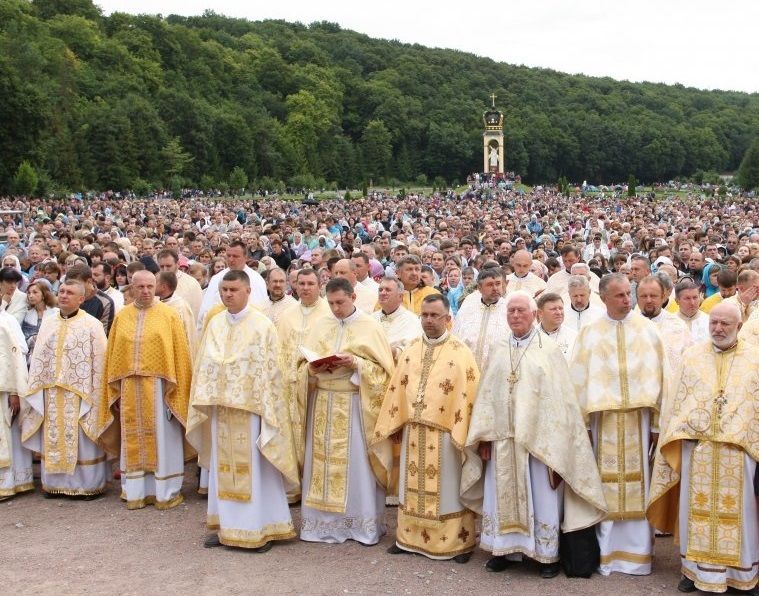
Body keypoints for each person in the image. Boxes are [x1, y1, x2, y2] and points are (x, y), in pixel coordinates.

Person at [462, 291, 606, 577]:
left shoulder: (548, 350)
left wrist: (554, 444)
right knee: (499, 495)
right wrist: (485, 437)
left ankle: (546, 556)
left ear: (535, 315)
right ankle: (504, 551)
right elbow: (487, 396)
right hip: (502, 439)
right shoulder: (499, 347)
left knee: (540, 497)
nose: (515, 316)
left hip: (539, 443)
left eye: (521, 311)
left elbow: (560, 401)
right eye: (511, 311)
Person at [648, 302, 759, 594]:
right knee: (692, 510)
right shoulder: (692, 356)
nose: (718, 329)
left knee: (743, 514)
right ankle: (693, 571)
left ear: (739, 326)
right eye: (714, 323)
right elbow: (676, 402)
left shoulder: (755, 358)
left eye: (725, 324)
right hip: (697, 448)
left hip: (740, 450)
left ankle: (741, 573)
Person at [187, 270, 299, 551]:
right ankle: (224, 525)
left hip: (252, 411)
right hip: (221, 409)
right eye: (224, 290)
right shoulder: (215, 325)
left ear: (248, 291)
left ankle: (259, 527)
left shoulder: (262, 326)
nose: (227, 295)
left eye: (233, 290)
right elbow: (204, 364)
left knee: (255, 468)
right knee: (222, 469)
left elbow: (272, 372)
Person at [571, 273, 667, 576]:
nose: (628, 300)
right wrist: (583, 423)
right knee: (605, 484)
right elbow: (579, 381)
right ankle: (608, 554)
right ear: (604, 299)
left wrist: (656, 425)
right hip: (603, 421)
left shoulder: (648, 331)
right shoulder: (590, 333)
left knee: (640, 484)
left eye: (629, 294)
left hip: (638, 420)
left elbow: (661, 380)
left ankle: (639, 555)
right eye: (620, 295)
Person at [374, 294, 480, 561]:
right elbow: (398, 387)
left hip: (447, 434)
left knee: (447, 488)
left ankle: (456, 542)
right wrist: (395, 421)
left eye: (435, 315)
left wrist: (463, 433)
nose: (429, 320)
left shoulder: (460, 353)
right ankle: (408, 538)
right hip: (413, 431)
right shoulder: (411, 349)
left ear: (448, 318)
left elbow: (469, 395)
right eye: (425, 315)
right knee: (410, 485)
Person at [298, 277, 394, 545]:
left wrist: (356, 364)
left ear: (353, 297)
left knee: (357, 467)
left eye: (340, 302)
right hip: (323, 404)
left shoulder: (370, 327)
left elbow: (385, 374)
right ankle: (320, 526)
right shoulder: (320, 325)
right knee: (321, 467)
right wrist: (311, 369)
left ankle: (358, 525)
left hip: (354, 406)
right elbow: (300, 366)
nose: (336, 308)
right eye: (330, 303)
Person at [101, 270, 193, 510]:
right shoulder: (122, 317)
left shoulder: (169, 316)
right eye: (140, 287)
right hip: (130, 388)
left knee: (163, 439)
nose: (145, 291)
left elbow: (181, 356)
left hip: (160, 389)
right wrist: (116, 388)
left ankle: (166, 490)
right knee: (132, 438)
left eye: (149, 287)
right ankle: (136, 491)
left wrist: (178, 391)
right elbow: (113, 355)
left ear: (157, 287)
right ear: (132, 288)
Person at [21, 279, 109, 498]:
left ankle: (87, 486)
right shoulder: (49, 323)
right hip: (51, 392)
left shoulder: (92, 325)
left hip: (81, 394)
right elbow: (39, 357)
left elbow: (100, 363)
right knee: (53, 436)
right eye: (61, 291)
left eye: (70, 292)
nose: (64, 295)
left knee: (82, 438)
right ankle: (54, 484)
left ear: (81, 298)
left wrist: (96, 392)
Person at [275, 269, 332, 481]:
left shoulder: (329, 312)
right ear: (295, 286)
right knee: (289, 433)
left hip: (315, 384)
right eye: (302, 284)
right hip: (288, 385)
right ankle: (291, 481)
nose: (306, 288)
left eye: (310, 284)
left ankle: (313, 480)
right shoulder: (287, 314)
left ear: (319, 286)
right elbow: (278, 348)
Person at [198, 240, 267, 330]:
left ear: (245, 257)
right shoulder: (217, 279)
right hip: (220, 330)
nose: (231, 259)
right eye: (229, 256)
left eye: (235, 256)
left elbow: (261, 310)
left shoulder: (256, 280)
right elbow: (205, 310)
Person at [0, 309, 32, 500]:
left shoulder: (7, 321)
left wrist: (14, 391)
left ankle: (7, 483)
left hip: (4, 389)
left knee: (7, 436)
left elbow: (18, 354)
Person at [452, 268, 507, 371]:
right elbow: (455, 338)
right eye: (490, 285)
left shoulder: (509, 309)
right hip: (467, 370)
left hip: (496, 372)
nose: (495, 288)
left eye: (498, 284)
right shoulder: (468, 308)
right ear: (479, 288)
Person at [637, 275, 693, 368]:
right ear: (637, 299)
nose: (649, 300)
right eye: (643, 296)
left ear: (663, 297)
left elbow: (689, 361)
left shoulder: (678, 326)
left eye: (653, 296)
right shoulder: (628, 326)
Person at [372, 276, 423, 361]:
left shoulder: (412, 320)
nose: (383, 293)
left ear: (400, 297)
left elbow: (414, 350)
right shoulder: (371, 318)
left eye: (388, 290)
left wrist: (395, 352)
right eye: (380, 290)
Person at [155, 271, 197, 361]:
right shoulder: (155, 304)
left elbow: (187, 335)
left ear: (164, 286)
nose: (151, 285)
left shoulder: (180, 307)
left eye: (155, 282)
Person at [65, 264, 115, 337]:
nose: (72, 287)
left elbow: (102, 335)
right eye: (70, 284)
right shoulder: (66, 297)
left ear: (89, 281)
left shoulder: (105, 302)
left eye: (76, 283)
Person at [157, 249, 203, 319]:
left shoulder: (191, 284)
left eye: (168, 266)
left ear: (178, 264)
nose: (165, 270)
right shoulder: (153, 281)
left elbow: (196, 312)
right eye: (162, 266)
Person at [21, 279, 56, 360]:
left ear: (43, 295)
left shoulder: (55, 313)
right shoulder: (27, 314)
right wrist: (33, 338)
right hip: (32, 357)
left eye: (35, 292)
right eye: (29, 293)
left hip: (52, 355)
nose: (31, 295)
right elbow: (24, 339)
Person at [536, 292, 577, 357]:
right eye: (553, 309)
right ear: (540, 313)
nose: (559, 312)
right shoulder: (529, 336)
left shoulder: (574, 337)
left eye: (561, 308)